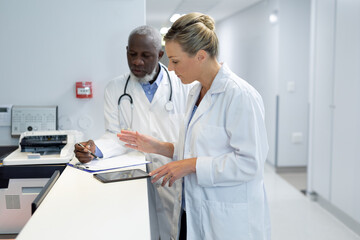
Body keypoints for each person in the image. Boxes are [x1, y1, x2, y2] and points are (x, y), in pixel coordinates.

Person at [118, 13, 271, 240]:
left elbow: (250, 163)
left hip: (227, 221)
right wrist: (157, 146)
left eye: (176, 60)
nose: (169, 68)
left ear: (200, 56)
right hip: (192, 210)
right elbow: (198, 148)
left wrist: (191, 165)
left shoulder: (240, 95)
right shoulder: (195, 92)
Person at [74, 25, 193, 240]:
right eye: (132, 54)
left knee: (172, 231)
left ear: (160, 55)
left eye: (146, 56)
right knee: (138, 229)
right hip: (134, 176)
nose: (137, 61)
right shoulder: (115, 88)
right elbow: (116, 135)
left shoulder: (184, 86)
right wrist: (94, 148)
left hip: (173, 175)